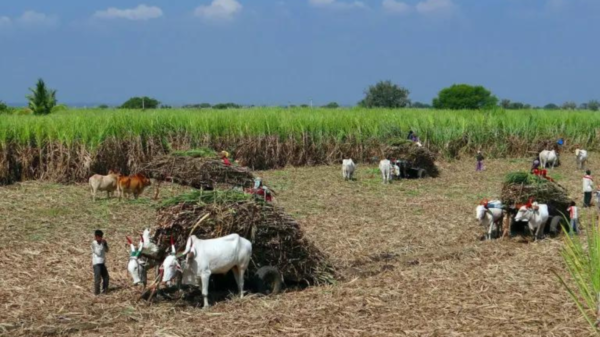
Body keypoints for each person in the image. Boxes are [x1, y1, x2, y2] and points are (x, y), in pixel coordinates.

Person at [92, 230, 109, 295]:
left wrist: (105, 245)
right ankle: (97, 293)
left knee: (106, 277)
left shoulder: (102, 242)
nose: (100, 238)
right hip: (96, 263)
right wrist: (102, 244)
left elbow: (107, 250)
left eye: (101, 237)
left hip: (102, 262)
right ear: (96, 237)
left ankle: (105, 290)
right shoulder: (94, 243)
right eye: (98, 237)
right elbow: (98, 253)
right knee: (98, 278)